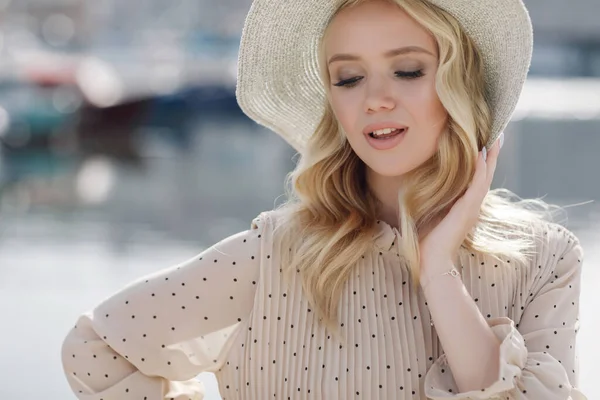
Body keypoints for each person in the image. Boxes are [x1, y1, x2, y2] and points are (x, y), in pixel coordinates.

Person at [61, 0, 587, 399]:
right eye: (349, 77)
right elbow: (95, 349)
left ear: (459, 84)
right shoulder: (275, 254)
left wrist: (438, 272)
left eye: (407, 70)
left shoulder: (544, 259)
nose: (375, 98)